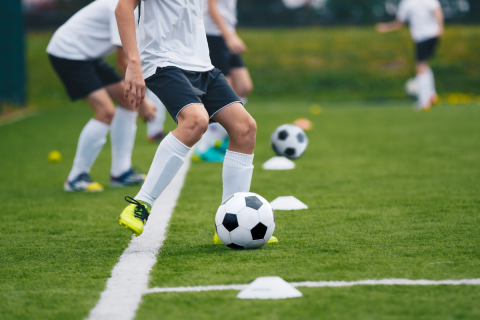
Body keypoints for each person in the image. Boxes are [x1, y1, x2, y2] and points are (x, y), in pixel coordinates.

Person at [115, 0, 277, 245]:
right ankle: (141, 204)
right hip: (163, 61)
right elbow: (123, 7)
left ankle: (228, 224)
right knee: (195, 120)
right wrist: (133, 64)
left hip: (202, 64)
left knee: (245, 128)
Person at [47, 0, 164, 192]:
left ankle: (121, 173)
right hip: (68, 52)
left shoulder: (140, 8)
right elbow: (123, 62)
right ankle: (76, 177)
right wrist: (143, 102)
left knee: (128, 103)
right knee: (105, 111)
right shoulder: (122, 7)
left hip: (88, 55)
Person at [193, 0, 253, 162]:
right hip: (214, 35)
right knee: (223, 92)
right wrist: (229, 37)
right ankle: (206, 146)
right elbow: (211, 8)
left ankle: (222, 135)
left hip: (226, 33)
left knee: (243, 86)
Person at [376, 0, 444, 111]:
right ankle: (432, 96)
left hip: (422, 37)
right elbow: (437, 10)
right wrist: (440, 27)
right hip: (434, 34)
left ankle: (424, 102)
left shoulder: (406, 3)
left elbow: (399, 23)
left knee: (420, 66)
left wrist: (385, 27)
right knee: (424, 64)